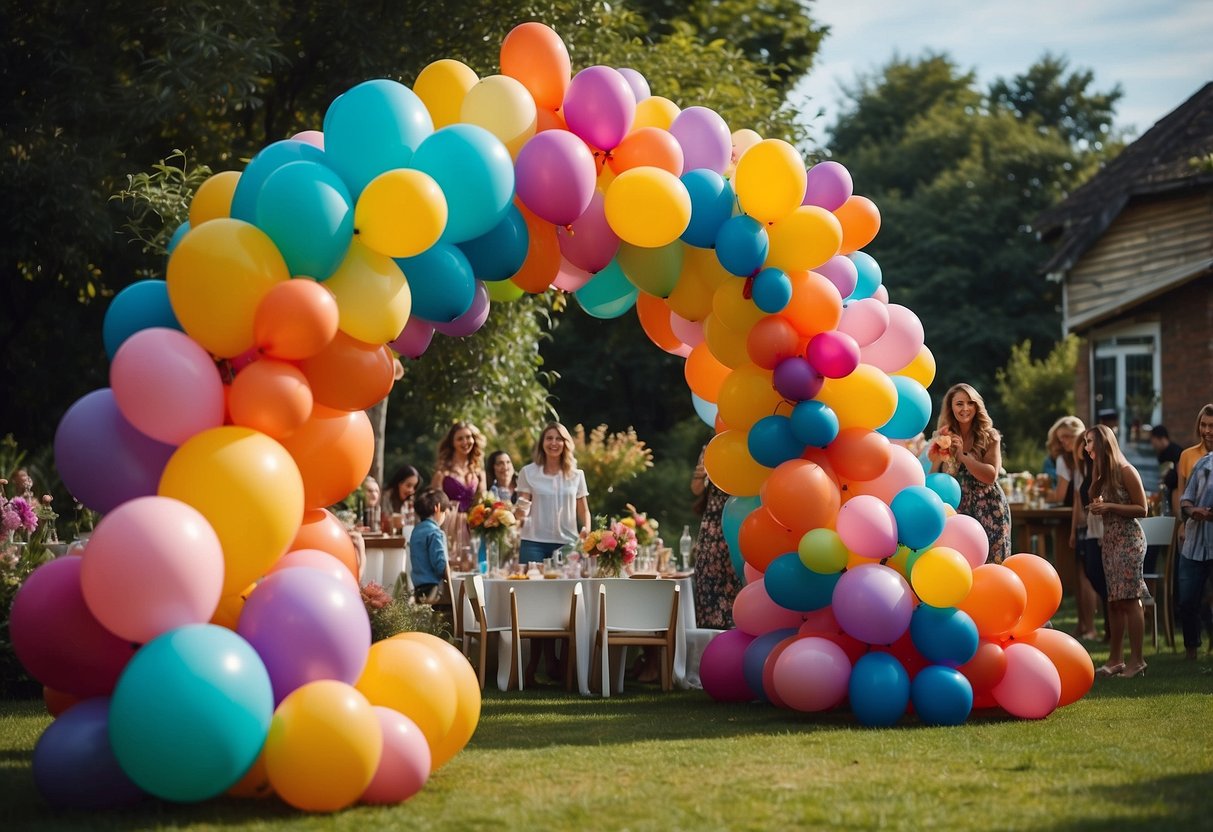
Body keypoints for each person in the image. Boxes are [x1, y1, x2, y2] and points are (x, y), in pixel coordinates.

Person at [1086, 424, 1149, 678]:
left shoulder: (1126, 471)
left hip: (1129, 540)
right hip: (1110, 541)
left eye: (1089, 442)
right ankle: (1115, 660)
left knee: (1130, 600)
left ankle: (1138, 660)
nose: (1086, 448)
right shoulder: (1104, 474)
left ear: (1102, 444)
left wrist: (1109, 505)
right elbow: (1091, 495)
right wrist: (1097, 469)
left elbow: (1142, 509)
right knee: (1114, 602)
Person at [926, 383, 1010, 564]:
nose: (965, 408)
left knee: (993, 563)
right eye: (959, 403)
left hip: (989, 507)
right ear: (951, 408)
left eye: (970, 403)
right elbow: (934, 478)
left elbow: (991, 475)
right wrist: (941, 452)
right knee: (961, 562)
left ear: (976, 406)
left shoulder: (989, 436)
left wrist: (963, 456)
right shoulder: (944, 436)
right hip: (957, 509)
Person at [515, 422, 590, 565]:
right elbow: (523, 507)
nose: (553, 443)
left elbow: (584, 510)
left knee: (568, 587)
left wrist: (586, 530)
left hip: (568, 544)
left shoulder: (577, 475)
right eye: (549, 438)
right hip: (533, 543)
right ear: (542, 442)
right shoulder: (528, 472)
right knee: (531, 586)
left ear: (565, 443)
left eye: (559, 439)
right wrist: (518, 511)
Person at [690, 446, 743, 630]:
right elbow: (696, 489)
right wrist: (701, 474)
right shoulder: (710, 448)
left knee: (733, 579)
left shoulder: (741, 447)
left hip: (734, 521)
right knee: (707, 578)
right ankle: (706, 633)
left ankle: (734, 629)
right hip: (711, 526)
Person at [1178, 413, 1213, 661]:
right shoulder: (1197, 461)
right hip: (1195, 539)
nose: (1207, 430)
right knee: (1188, 599)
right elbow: (1184, 498)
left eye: (1212, 426)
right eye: (1204, 425)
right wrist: (1189, 515)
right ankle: (1192, 650)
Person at [1070, 421, 1109, 642]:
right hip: (1091, 529)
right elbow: (1080, 498)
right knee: (1094, 574)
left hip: (1103, 530)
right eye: (1083, 443)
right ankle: (1109, 625)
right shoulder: (1086, 469)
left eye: (1088, 442)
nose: (1084, 447)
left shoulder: (1104, 468)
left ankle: (1110, 627)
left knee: (1100, 576)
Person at [431, 422, 487, 571]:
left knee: (472, 566)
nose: (465, 442)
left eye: (468, 437)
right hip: (449, 525)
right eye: (460, 439)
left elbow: (483, 501)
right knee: (451, 566)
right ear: (452, 443)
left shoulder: (478, 471)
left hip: (472, 525)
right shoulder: (442, 471)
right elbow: (434, 502)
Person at [408, 488, 451, 604]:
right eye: (444, 513)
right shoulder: (436, 533)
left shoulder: (416, 531)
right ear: (437, 508)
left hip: (418, 587)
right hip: (434, 590)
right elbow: (440, 564)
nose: (444, 517)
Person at [1045, 416, 1084, 505]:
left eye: (1066, 436)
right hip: (1074, 512)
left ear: (1078, 433)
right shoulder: (1064, 460)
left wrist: (1039, 494)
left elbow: (1058, 496)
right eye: (1060, 439)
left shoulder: (1092, 455)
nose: (1064, 441)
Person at [1149, 425, 1184, 516]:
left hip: (1177, 488)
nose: (1153, 445)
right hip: (1167, 488)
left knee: (1177, 514)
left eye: (1154, 441)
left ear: (1160, 438)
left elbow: (1181, 473)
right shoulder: (1161, 455)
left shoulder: (1176, 451)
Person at [382, 464, 422, 532]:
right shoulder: (385, 498)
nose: (411, 491)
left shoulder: (410, 502)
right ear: (399, 483)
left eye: (414, 487)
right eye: (408, 485)